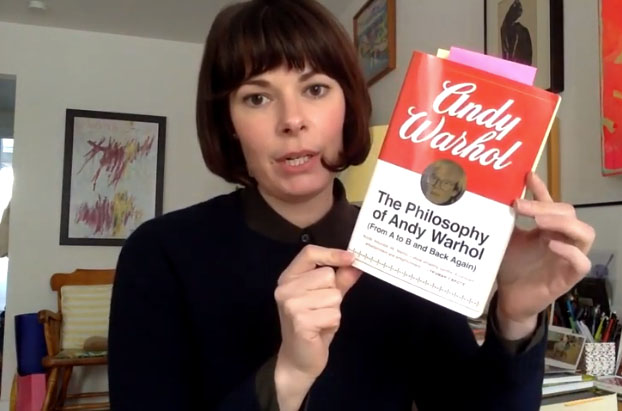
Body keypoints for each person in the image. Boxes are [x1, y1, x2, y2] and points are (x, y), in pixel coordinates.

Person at [107, 1, 595, 410]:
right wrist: (289, 374)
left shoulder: (409, 242)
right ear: (228, 124)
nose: (292, 120)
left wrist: (515, 318)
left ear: (349, 106)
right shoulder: (162, 254)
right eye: (257, 98)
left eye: (315, 89)